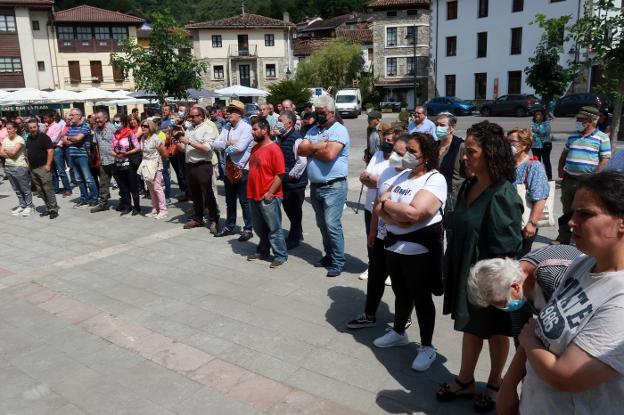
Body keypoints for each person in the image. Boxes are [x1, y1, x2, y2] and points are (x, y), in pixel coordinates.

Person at [513, 171, 624, 415]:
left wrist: (527, 340)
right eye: (573, 212)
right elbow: (543, 327)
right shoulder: (582, 264)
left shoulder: (620, 301)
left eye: (585, 214)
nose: (571, 221)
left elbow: (565, 377)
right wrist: (510, 385)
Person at [437, 121, 523, 413]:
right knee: (471, 328)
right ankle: (465, 380)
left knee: (497, 332)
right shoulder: (470, 185)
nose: (464, 157)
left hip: (492, 279)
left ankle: (496, 384)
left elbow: (508, 247)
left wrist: (497, 289)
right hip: (467, 271)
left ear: (490, 154)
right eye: (465, 151)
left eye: (471, 152)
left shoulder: (502, 193)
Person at [371, 133, 447, 372]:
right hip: (395, 245)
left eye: (412, 151)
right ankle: (399, 331)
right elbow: (377, 207)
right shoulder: (402, 175)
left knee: (421, 298)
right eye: (406, 151)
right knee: (401, 293)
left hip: (420, 250)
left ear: (426, 155)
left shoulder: (435, 179)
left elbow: (415, 214)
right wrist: (396, 215)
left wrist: (389, 206)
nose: (406, 155)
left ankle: (427, 346)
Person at [347, 137, 409, 329]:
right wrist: (373, 231)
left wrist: (386, 208)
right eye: (394, 152)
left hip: (403, 239)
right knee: (375, 274)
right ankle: (369, 314)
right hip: (382, 233)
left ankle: (403, 318)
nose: (393, 156)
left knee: (401, 281)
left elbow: (409, 212)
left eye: (400, 153)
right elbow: (376, 204)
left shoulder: (415, 176)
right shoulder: (388, 171)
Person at [298, 95, 350, 278]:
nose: (317, 116)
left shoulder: (339, 130)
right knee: (322, 224)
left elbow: (330, 155)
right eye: (316, 113)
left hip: (334, 185)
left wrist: (312, 149)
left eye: (321, 113)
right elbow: (301, 150)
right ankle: (328, 256)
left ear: (330, 112)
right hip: (316, 186)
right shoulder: (313, 129)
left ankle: (338, 260)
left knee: (332, 224)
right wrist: (319, 145)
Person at [555, 106, 610, 244]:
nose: (577, 121)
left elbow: (604, 159)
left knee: (586, 211)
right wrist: (560, 168)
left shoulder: (602, 138)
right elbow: (564, 154)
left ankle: (583, 237)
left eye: (580, 119)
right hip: (569, 179)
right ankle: (563, 237)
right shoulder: (573, 136)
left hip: (587, 181)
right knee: (567, 209)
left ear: (590, 121)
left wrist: (594, 178)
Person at [246, 117, 288, 268]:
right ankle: (263, 250)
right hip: (253, 194)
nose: (252, 132)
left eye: (255, 129)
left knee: (274, 227)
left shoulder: (274, 149)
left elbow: (280, 174)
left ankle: (280, 254)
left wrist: (270, 192)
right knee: (259, 227)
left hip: (268, 196)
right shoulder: (256, 148)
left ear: (265, 130)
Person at [358, 122, 395, 281]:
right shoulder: (378, 155)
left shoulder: (398, 159)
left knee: (387, 239)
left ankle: (390, 271)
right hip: (370, 205)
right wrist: (376, 181)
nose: (386, 143)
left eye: (390, 140)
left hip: (387, 208)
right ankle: (373, 265)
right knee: (371, 237)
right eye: (384, 139)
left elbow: (392, 185)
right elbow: (364, 177)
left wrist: (374, 180)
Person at [213, 100, 254, 241]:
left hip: (243, 169)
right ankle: (229, 226)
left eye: (232, 111)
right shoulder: (226, 127)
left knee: (244, 201)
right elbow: (215, 144)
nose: (228, 113)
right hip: (229, 169)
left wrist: (226, 147)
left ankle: (248, 229)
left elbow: (240, 147)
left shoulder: (247, 128)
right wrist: (227, 144)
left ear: (239, 114)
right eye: (228, 110)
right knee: (230, 200)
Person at [508, 128, 549, 255]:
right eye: (506, 141)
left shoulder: (534, 167)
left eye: (512, 142)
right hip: (504, 223)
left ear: (524, 145)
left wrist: (532, 224)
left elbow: (540, 198)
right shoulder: (504, 164)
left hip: (522, 224)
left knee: (517, 261)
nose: (507, 145)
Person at [177, 107, 220, 230]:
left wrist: (189, 142)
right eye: (190, 116)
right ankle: (198, 218)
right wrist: (177, 142)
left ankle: (214, 220)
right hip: (190, 165)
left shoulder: (208, 129)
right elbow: (185, 148)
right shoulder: (189, 129)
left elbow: (207, 148)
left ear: (201, 116)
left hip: (203, 165)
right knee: (195, 194)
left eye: (194, 116)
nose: (191, 118)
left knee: (208, 194)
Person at [275, 110, 308, 250]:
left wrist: (290, 175)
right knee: (289, 209)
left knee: (295, 211)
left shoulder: (297, 138)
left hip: (295, 183)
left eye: (281, 120)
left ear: (289, 123)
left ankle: (294, 238)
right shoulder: (280, 137)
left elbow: (302, 162)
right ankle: (297, 233)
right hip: (285, 181)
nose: (278, 123)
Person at [61, 108, 98, 208]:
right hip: (73, 155)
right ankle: (84, 199)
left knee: (88, 179)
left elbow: (78, 138)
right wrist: (71, 140)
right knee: (79, 179)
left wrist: (70, 139)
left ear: (79, 115)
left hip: (83, 156)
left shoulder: (85, 126)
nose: (70, 117)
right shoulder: (71, 127)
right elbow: (63, 138)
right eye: (70, 115)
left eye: (72, 115)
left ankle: (95, 198)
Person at [25, 120, 59, 218]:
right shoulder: (29, 138)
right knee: (40, 191)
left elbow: (50, 151)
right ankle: (48, 208)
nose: (32, 129)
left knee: (48, 189)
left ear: (38, 127)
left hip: (43, 167)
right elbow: (27, 151)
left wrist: (48, 165)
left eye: (34, 127)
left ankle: (53, 209)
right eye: (30, 128)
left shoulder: (44, 137)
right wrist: (28, 164)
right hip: (33, 169)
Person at [0, 121, 33, 216]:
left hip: (19, 166)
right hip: (8, 166)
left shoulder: (20, 140)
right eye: (7, 129)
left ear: (15, 129)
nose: (8, 131)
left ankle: (29, 206)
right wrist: (8, 152)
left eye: (9, 129)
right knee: (16, 189)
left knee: (24, 188)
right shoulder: (6, 139)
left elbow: (13, 153)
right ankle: (22, 205)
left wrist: (6, 152)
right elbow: (1, 153)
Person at [435, 112, 466, 211]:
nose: (438, 128)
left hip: (453, 198)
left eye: (442, 125)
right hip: (434, 194)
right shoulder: (434, 146)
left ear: (451, 128)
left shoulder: (460, 146)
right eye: (437, 125)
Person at [111, 114, 141, 215]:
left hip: (130, 163)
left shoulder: (129, 133)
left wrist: (127, 153)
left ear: (123, 123)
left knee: (133, 186)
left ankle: (137, 207)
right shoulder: (114, 134)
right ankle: (128, 206)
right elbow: (111, 149)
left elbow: (137, 147)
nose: (115, 124)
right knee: (123, 187)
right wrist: (116, 154)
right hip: (119, 164)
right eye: (114, 122)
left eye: (117, 122)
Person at [139, 120, 168, 219]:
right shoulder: (143, 138)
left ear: (150, 127)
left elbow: (164, 153)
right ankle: (155, 208)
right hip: (146, 164)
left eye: (145, 126)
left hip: (156, 165)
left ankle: (163, 210)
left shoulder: (156, 138)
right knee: (151, 188)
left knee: (157, 187)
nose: (143, 127)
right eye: (142, 126)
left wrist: (158, 161)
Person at [90, 111, 116, 213]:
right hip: (103, 160)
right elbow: (96, 144)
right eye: (96, 118)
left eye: (99, 118)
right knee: (103, 183)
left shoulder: (113, 128)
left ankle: (125, 202)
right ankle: (103, 204)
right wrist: (99, 157)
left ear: (105, 118)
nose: (97, 120)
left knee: (121, 183)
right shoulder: (96, 129)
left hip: (114, 160)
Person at [43, 111, 71, 197]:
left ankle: (67, 189)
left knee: (61, 170)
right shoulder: (47, 127)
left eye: (46, 118)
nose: (45, 120)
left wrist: (44, 143)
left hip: (56, 149)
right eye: (44, 118)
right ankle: (56, 188)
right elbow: (43, 138)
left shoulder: (57, 127)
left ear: (52, 118)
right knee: (52, 171)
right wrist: (45, 131)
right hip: (49, 150)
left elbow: (54, 140)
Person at [530, 108, 553, 180]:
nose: (537, 116)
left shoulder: (546, 123)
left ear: (543, 116)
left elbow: (545, 133)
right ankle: (537, 177)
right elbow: (531, 134)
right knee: (536, 163)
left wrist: (536, 131)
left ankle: (549, 177)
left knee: (546, 161)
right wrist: (537, 132)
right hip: (535, 146)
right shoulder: (532, 124)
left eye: (539, 114)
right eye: (536, 115)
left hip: (545, 145)